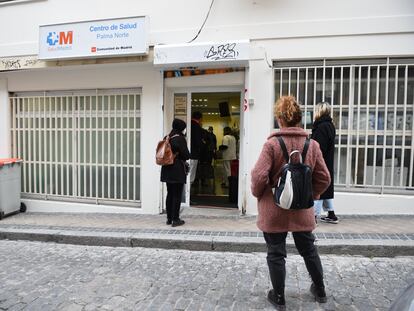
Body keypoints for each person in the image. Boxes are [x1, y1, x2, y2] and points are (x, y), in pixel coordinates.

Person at [251, 96, 331, 309]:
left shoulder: (272, 145)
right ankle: (320, 289)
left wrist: (259, 195)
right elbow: (324, 178)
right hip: (302, 212)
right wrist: (310, 196)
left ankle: (278, 297)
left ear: (280, 119)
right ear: (299, 119)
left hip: (274, 210)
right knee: (309, 250)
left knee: (276, 253)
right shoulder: (311, 145)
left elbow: (258, 176)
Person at [312, 102, 339, 224]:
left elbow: (319, 147)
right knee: (326, 188)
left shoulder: (321, 127)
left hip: (321, 162)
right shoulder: (329, 125)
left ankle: (313, 217)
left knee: (318, 188)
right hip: (327, 161)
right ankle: (331, 214)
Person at [160, 118, 190, 227]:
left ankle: (169, 218)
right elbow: (187, 155)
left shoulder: (167, 137)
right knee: (177, 194)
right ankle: (176, 219)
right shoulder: (180, 139)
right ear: (181, 128)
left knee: (170, 193)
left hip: (167, 168)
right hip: (177, 169)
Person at [190, 111, 203, 186]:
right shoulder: (197, 126)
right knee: (191, 174)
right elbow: (198, 141)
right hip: (194, 153)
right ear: (200, 118)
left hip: (188, 153)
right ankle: (187, 195)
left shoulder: (189, 124)